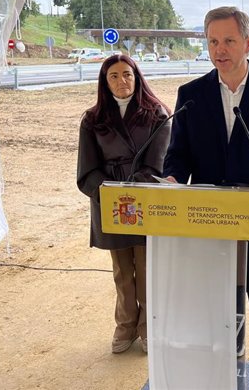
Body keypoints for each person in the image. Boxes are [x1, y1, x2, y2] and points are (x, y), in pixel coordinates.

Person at [163, 6, 249, 390]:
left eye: (228, 40)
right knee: (215, 326)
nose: (219, 49)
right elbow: (178, 156)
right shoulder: (190, 96)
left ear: (248, 42)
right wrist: (172, 178)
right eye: (212, 41)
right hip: (209, 233)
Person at [77, 54, 172, 355]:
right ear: (105, 83)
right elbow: (87, 168)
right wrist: (109, 192)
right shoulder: (92, 120)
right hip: (110, 202)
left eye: (127, 74)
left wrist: (135, 188)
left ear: (137, 76)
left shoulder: (157, 114)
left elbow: (158, 163)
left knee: (146, 268)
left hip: (144, 199)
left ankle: (148, 327)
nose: (122, 81)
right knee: (121, 269)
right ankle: (125, 324)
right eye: (114, 76)